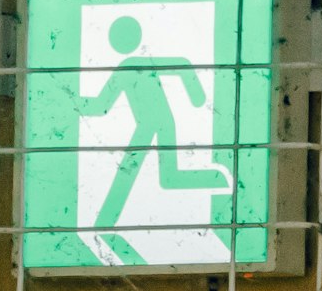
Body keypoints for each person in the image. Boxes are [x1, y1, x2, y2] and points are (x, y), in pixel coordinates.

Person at [87, 12, 231, 229]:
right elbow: (101, 106)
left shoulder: (131, 65)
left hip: (158, 123)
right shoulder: (130, 66)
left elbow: (100, 105)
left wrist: (196, 94)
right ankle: (105, 222)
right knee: (166, 176)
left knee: (162, 176)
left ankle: (104, 222)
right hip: (151, 125)